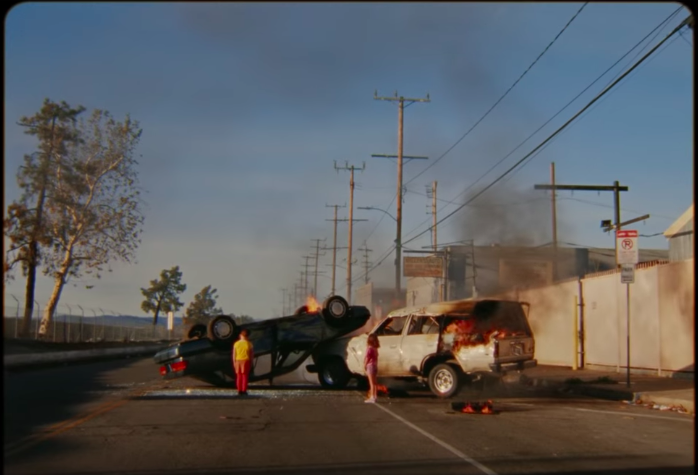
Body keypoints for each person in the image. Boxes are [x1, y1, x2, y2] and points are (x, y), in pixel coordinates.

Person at [232, 329, 254, 396]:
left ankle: (239, 390)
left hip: (238, 360)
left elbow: (234, 354)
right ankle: (244, 390)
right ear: (247, 336)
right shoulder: (249, 344)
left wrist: (234, 362)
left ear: (241, 335)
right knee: (245, 376)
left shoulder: (236, 344)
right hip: (246, 360)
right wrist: (251, 362)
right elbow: (251, 355)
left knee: (238, 376)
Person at [364, 334, 380, 403]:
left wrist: (364, 364)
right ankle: (375, 396)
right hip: (375, 365)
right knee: (375, 382)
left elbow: (367, 357)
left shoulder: (369, 349)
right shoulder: (375, 349)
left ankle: (372, 397)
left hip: (370, 366)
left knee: (371, 383)